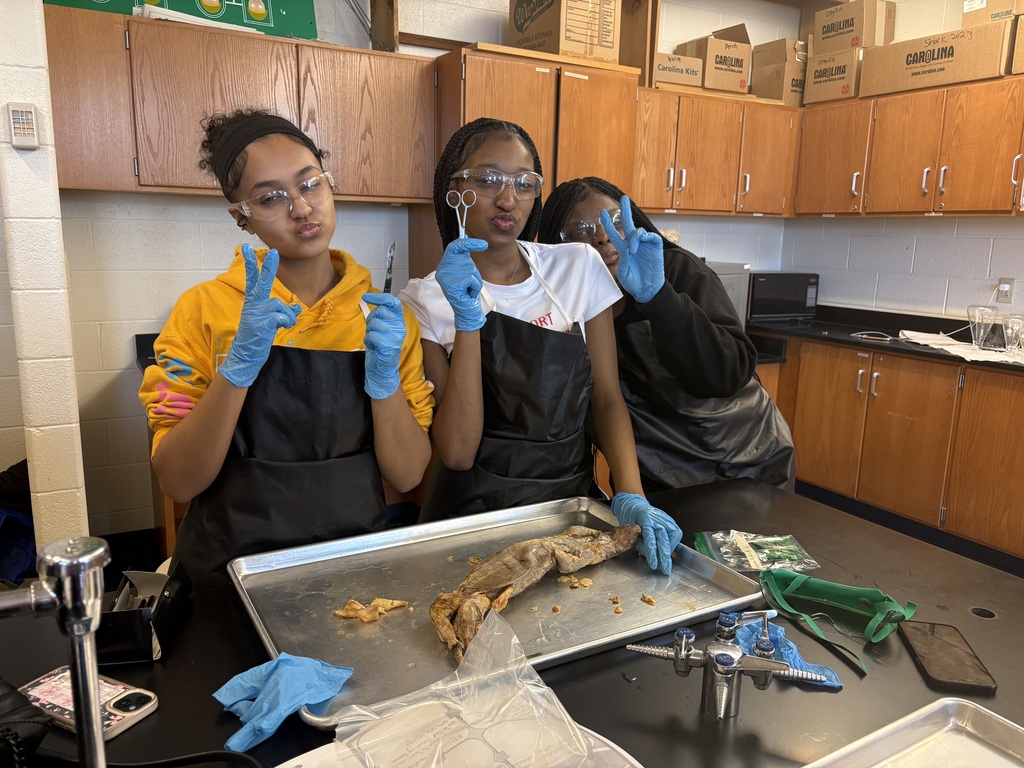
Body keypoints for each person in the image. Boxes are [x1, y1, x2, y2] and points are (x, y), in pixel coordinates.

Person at [139, 109, 434, 589]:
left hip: (353, 573)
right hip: (228, 578)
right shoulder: (201, 312)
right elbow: (177, 481)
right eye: (270, 198)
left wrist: (384, 385)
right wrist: (236, 372)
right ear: (241, 218)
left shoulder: (385, 320)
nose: (300, 208)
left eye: (310, 184)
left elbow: (407, 474)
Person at [399, 118, 681, 575]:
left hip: (570, 510)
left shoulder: (577, 265)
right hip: (473, 521)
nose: (508, 198)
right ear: (455, 189)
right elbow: (456, 452)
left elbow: (606, 397)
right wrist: (468, 323)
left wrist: (631, 494)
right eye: (488, 179)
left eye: (524, 183)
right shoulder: (424, 299)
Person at [537, 177, 795, 494]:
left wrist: (659, 298)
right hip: (654, 472)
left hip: (742, 463)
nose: (604, 237)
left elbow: (728, 373)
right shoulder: (566, 305)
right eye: (583, 230)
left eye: (615, 221)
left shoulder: (677, 271)